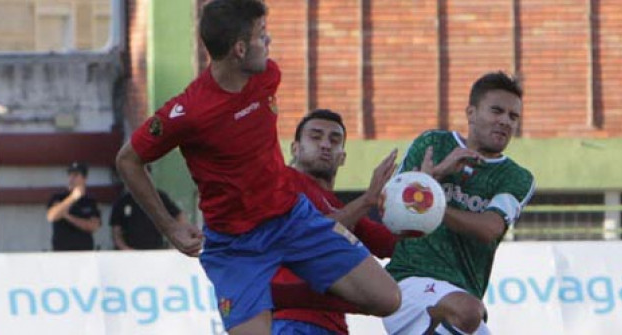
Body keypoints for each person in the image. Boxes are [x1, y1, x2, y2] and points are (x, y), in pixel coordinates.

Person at [113, 1, 400, 333]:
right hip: (236, 247)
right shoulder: (189, 112)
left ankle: (286, 299)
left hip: (293, 221)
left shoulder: (267, 76)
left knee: (388, 299)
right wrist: (170, 227)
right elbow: (127, 160)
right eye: (262, 35)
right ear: (239, 48)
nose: (270, 41)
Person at [383, 72, 536, 335]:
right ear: (471, 112)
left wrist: (431, 202)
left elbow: (490, 229)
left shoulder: (517, 177)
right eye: (496, 111)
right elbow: (390, 206)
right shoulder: (433, 143)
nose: (505, 122)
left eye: (513, 117)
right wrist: (439, 173)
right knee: (468, 310)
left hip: (461, 296)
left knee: (468, 312)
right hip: (409, 282)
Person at [271, 109, 404, 335]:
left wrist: (422, 201)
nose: (325, 145)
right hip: (291, 320)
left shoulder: (341, 208)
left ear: (342, 156)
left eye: (334, 140)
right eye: (315, 136)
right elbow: (311, 236)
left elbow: (393, 245)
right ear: (295, 148)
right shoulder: (284, 182)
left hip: (332, 326)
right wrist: (367, 199)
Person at [109, 182, 186, 250]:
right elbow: (116, 231)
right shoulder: (122, 201)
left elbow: (179, 216)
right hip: (131, 252)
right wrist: (124, 248)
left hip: (157, 250)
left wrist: (175, 243)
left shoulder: (159, 197)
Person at [45, 162, 102, 251]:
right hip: (61, 253)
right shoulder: (58, 197)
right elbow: (51, 216)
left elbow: (93, 226)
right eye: (70, 175)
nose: (71, 179)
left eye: (75, 175)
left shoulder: (90, 201)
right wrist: (72, 198)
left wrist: (67, 217)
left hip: (84, 253)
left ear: (84, 178)